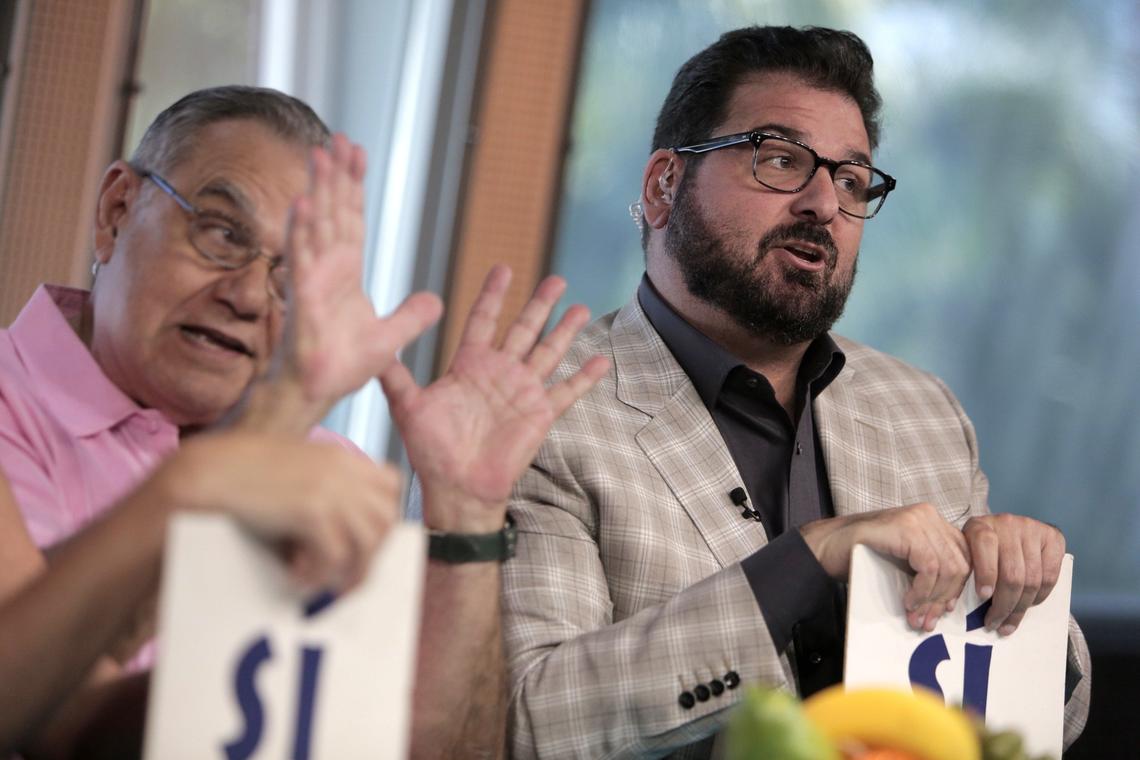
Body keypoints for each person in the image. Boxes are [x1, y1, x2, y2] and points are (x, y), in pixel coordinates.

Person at [502, 26, 1090, 758]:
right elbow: (531, 720)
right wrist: (806, 560)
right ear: (663, 185)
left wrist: (1023, 590)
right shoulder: (537, 412)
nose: (824, 204)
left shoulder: (922, 409)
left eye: (851, 180)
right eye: (781, 160)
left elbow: (1036, 721)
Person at [0, 85, 607, 758]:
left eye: (293, 276)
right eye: (223, 235)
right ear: (117, 210)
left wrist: (466, 517)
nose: (246, 296)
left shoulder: (328, 473)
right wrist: (236, 452)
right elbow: (45, 715)